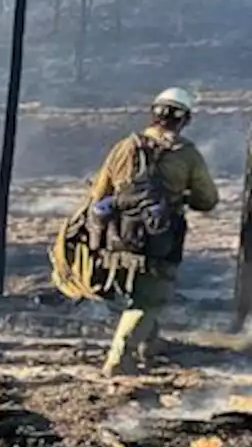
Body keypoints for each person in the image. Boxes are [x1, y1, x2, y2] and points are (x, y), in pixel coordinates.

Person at [83, 87, 219, 376]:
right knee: (150, 298)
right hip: (159, 240)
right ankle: (119, 360)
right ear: (184, 120)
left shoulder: (124, 147)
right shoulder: (187, 154)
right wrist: (181, 196)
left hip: (118, 238)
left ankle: (149, 345)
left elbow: (99, 193)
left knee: (139, 294)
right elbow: (207, 200)